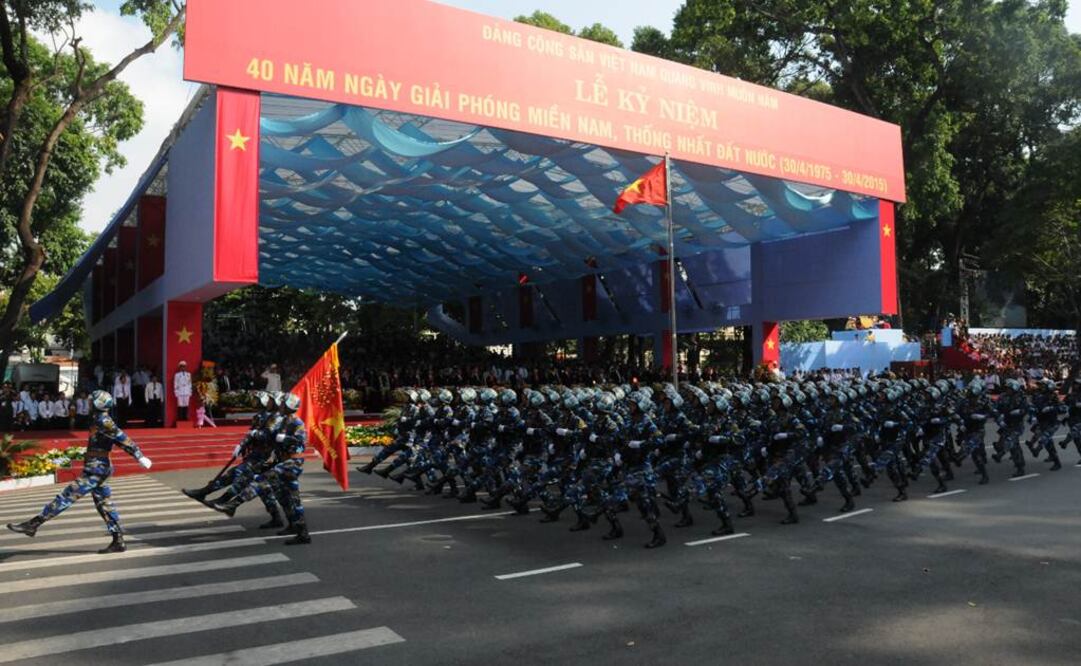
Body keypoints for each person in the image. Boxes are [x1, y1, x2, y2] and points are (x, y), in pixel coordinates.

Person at [5, 390, 153, 553]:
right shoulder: (98, 419)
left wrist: (139, 456)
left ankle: (33, 524)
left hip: (97, 469)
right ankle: (118, 540)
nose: (89, 403)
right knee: (104, 504)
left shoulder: (104, 421)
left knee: (67, 495)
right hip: (96, 466)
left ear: (98, 404)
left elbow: (121, 437)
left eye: (92, 400)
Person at [211, 392, 311, 545]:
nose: (280, 406)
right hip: (280, 462)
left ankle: (233, 504)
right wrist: (251, 438)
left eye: (283, 404)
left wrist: (287, 439)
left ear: (290, 406)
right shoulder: (282, 421)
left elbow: (301, 444)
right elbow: (268, 435)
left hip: (292, 463)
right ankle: (300, 531)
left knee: (262, 479)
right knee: (287, 498)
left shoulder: (297, 423)